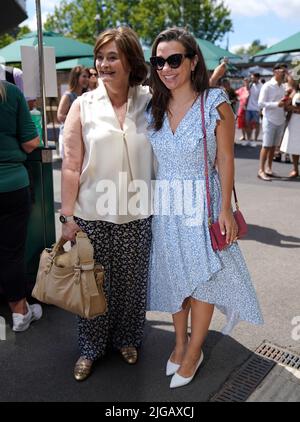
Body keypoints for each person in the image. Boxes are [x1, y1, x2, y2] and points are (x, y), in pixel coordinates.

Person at [147, 28, 263, 389]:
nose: (167, 67)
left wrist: (225, 209)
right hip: (167, 203)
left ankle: (195, 350)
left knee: (201, 279)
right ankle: (179, 342)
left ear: (193, 60)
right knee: (172, 276)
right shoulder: (154, 105)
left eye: (175, 59)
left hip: (204, 201)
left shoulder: (215, 102)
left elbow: (226, 158)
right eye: (160, 61)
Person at [60, 27, 154, 381]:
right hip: (91, 213)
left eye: (112, 56)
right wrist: (66, 217)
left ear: (131, 60)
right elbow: (70, 165)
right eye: (100, 57)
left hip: (138, 211)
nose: (103, 64)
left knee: (131, 284)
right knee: (93, 286)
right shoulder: (84, 104)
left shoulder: (150, 100)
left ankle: (128, 338)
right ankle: (90, 348)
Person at [0, 80, 42, 331]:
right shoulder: (11, 93)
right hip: (11, 185)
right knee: (11, 253)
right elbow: (31, 143)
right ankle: (20, 312)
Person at [257, 63, 287, 181]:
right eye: (282, 70)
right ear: (275, 71)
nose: (284, 72)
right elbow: (260, 104)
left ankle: (268, 168)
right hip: (269, 120)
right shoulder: (267, 86)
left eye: (285, 70)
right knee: (266, 146)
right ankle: (261, 170)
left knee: (274, 147)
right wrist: (276, 104)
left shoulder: (283, 86)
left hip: (280, 119)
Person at [57, 65, 89, 158]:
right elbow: (60, 116)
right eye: (84, 76)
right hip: (69, 135)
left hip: (83, 136)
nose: (86, 79)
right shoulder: (68, 95)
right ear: (75, 77)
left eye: (87, 76)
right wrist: (78, 119)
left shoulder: (86, 96)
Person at [280, 75, 300, 178]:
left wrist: (292, 108)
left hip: (297, 118)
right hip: (294, 121)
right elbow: (287, 105)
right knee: (294, 146)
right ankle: (295, 169)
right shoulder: (293, 92)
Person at [245, 73, 263, 147]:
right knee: (248, 125)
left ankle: (255, 140)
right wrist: (247, 83)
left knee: (256, 125)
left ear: (257, 78)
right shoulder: (251, 84)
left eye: (253, 78)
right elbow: (247, 91)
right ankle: (249, 140)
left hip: (257, 108)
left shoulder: (262, 86)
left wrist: (261, 109)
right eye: (251, 78)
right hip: (249, 108)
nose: (252, 79)